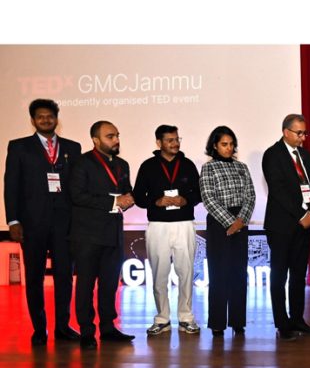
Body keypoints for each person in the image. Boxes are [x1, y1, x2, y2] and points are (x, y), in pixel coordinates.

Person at [3, 99, 82, 345]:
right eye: (40, 117)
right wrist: (13, 221)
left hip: (64, 223)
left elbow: (77, 187)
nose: (46, 120)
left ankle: (62, 326)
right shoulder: (19, 147)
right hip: (32, 223)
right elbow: (11, 186)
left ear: (57, 118)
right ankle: (39, 328)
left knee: (64, 276)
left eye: (50, 116)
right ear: (33, 120)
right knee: (35, 277)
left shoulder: (73, 147)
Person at [70, 121, 135, 349]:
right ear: (96, 140)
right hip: (87, 234)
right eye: (110, 136)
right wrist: (114, 200)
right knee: (86, 284)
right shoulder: (81, 163)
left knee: (109, 284)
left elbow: (126, 191)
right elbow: (77, 195)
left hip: (113, 232)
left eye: (117, 135)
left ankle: (108, 328)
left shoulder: (122, 164)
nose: (116, 140)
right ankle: (87, 331)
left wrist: (128, 198)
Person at [133, 125, 202, 336]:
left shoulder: (188, 165)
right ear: (159, 143)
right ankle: (162, 318)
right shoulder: (148, 166)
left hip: (184, 224)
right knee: (159, 274)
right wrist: (156, 201)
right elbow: (138, 197)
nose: (175, 143)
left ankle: (186, 317)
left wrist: (185, 200)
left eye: (177, 139)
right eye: (170, 140)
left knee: (186, 272)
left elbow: (199, 194)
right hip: (158, 226)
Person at [262, 114, 310, 341]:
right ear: (286, 132)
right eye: (299, 133)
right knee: (279, 275)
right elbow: (277, 191)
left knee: (299, 274)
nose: (303, 137)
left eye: (305, 133)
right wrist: (300, 214)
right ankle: (282, 323)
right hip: (282, 225)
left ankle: (298, 319)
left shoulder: (304, 155)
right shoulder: (272, 155)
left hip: (305, 224)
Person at [200, 126, 255, 337]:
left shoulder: (242, 167)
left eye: (231, 144)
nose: (229, 148)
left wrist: (240, 221)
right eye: (224, 144)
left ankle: (238, 321)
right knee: (219, 274)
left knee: (239, 274)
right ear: (214, 146)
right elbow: (208, 198)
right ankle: (217, 323)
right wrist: (231, 222)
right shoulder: (209, 168)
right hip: (218, 223)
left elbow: (250, 196)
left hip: (241, 222)